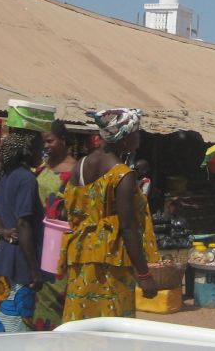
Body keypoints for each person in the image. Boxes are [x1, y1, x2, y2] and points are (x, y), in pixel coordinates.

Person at [56, 108, 159, 323]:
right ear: (123, 138)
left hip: (80, 255)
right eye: (136, 134)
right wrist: (144, 274)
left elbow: (69, 210)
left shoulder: (79, 167)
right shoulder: (122, 174)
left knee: (81, 321)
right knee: (112, 326)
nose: (139, 139)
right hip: (111, 261)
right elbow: (127, 226)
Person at [0, 129, 45, 333]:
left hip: (3, 261)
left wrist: (2, 232)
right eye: (40, 148)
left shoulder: (7, 177)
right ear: (27, 151)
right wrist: (34, 270)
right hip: (20, 264)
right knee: (17, 325)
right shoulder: (27, 179)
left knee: (0, 321)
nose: (42, 153)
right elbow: (23, 224)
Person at [31, 120, 78, 331]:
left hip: (63, 243)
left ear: (63, 140)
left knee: (60, 296)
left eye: (50, 141)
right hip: (38, 242)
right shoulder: (39, 169)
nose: (46, 146)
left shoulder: (76, 170)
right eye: (44, 142)